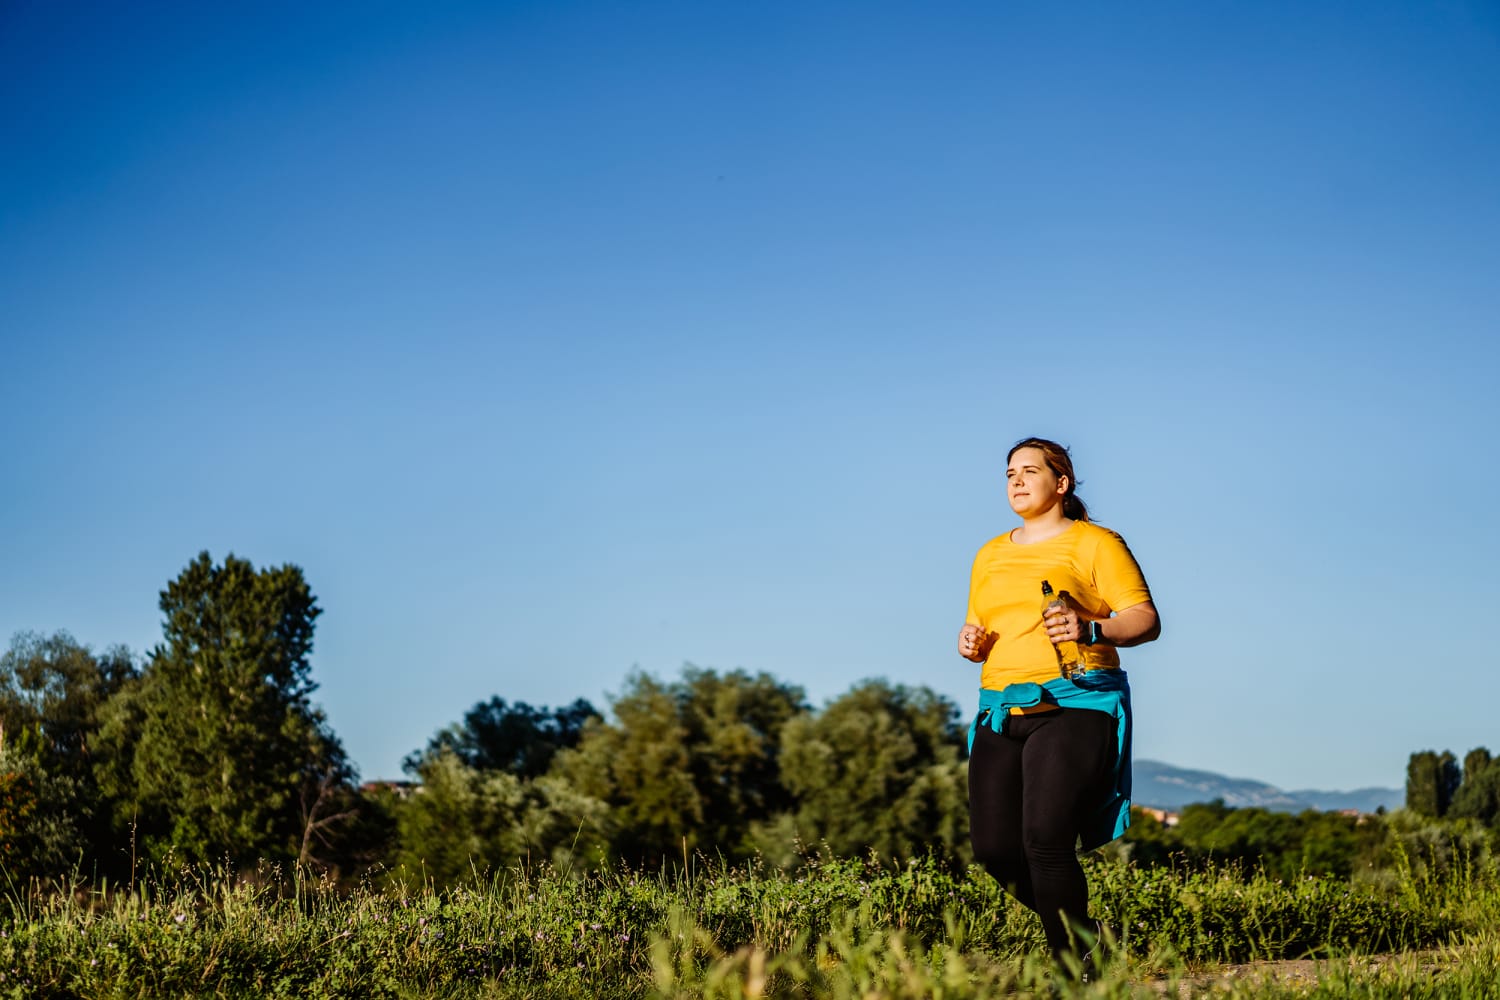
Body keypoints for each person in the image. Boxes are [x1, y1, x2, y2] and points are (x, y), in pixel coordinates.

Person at [958, 437, 1160, 969]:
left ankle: (1074, 970)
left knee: (1046, 839)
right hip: (1001, 706)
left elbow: (1144, 619)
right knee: (996, 853)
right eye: (1009, 473)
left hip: (1078, 700)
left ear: (1061, 483)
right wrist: (970, 640)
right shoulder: (990, 553)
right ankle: (1092, 936)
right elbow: (982, 623)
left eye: (1029, 471)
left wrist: (1091, 626)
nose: (1017, 481)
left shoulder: (1095, 543)